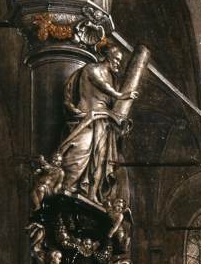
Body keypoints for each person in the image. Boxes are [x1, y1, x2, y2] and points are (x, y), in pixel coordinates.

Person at [55, 44, 139, 206]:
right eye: (116, 59)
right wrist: (121, 95)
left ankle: (93, 195)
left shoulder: (112, 78)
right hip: (89, 117)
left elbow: (114, 105)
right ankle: (68, 186)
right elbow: (102, 85)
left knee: (101, 159)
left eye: (120, 61)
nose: (118, 64)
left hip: (103, 121)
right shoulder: (92, 69)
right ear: (108, 56)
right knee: (80, 152)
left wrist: (119, 120)